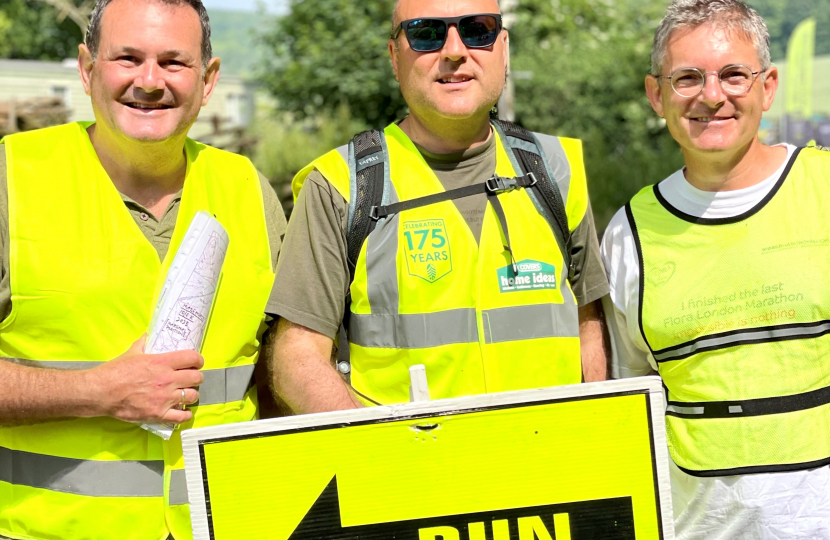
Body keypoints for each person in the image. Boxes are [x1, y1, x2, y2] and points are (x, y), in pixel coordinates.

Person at [0, 0, 287, 539]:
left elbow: (279, 369)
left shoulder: (248, 188)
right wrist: (96, 392)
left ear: (208, 79)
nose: (150, 82)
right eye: (127, 58)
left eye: (174, 63)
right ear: (87, 70)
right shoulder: (12, 178)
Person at [268, 0, 610, 414]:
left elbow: (589, 323)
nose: (454, 50)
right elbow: (296, 359)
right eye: (427, 32)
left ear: (503, 46)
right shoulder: (341, 185)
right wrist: (381, 454)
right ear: (395, 57)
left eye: (477, 29)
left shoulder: (556, 170)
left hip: (549, 465)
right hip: (413, 472)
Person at [601, 0, 830, 537]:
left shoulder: (823, 189)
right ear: (657, 95)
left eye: (733, 75)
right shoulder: (629, 234)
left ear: (768, 86)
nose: (711, 95)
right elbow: (633, 396)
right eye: (687, 78)